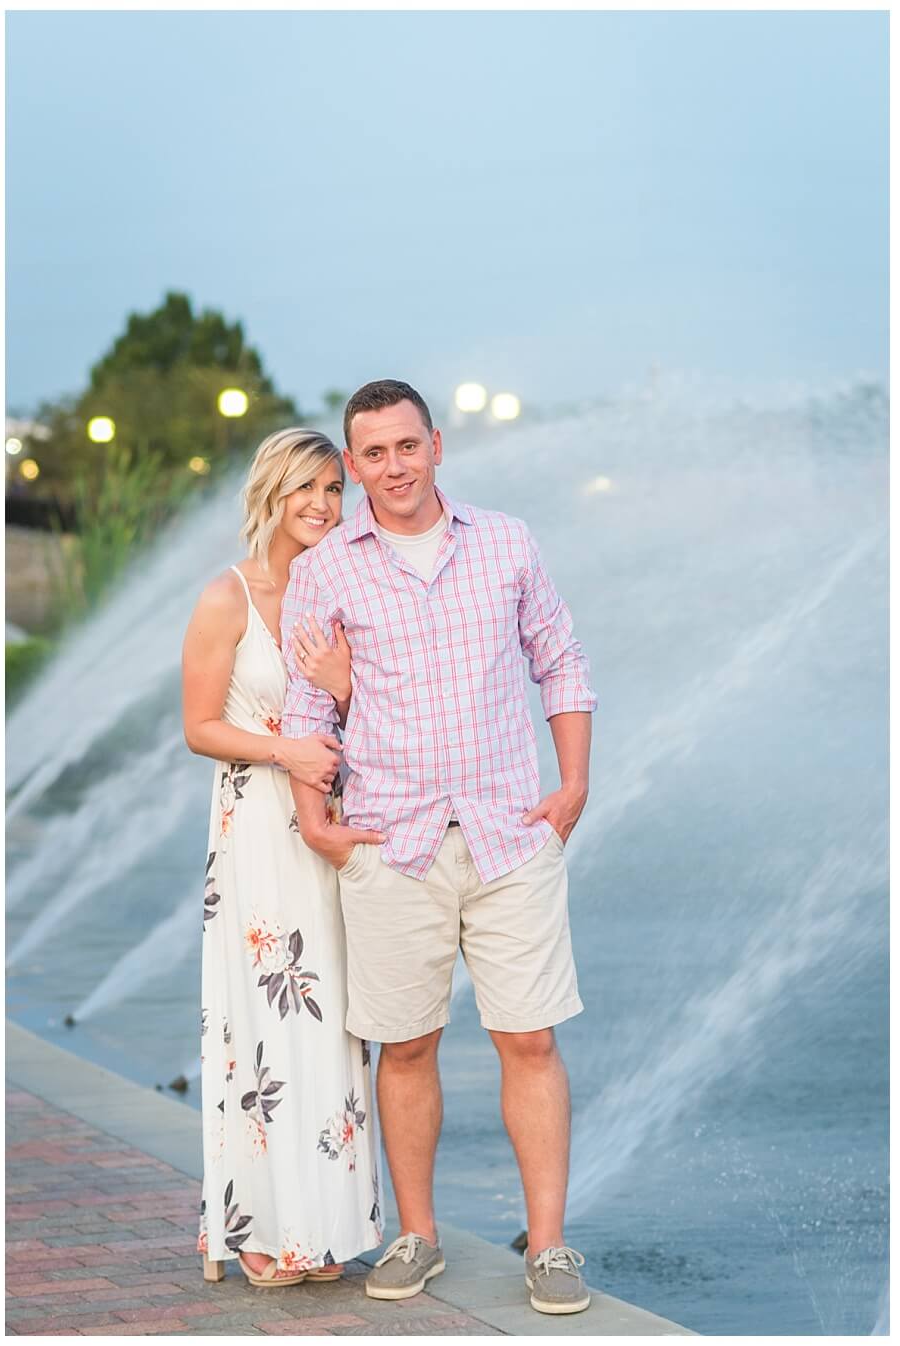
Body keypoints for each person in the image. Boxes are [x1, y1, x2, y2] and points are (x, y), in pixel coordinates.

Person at [282, 379, 597, 1315]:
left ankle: (548, 1249)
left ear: (437, 447)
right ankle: (415, 1237)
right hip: (391, 840)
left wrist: (573, 782)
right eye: (373, 454)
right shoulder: (328, 567)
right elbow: (307, 706)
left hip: (508, 832)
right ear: (352, 465)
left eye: (407, 447)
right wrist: (316, 821)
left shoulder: (504, 541)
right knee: (407, 1048)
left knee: (529, 1040)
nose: (393, 468)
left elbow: (561, 656)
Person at [182, 428, 386, 1287]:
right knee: (265, 1024)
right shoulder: (227, 598)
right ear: (271, 491)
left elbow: (376, 718)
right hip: (258, 832)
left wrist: (342, 692)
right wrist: (287, 752)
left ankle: (323, 1224)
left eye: (335, 491)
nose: (323, 506)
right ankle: (252, 1224)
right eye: (307, 488)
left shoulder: (341, 592)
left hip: (330, 827)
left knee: (333, 1021)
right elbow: (198, 728)